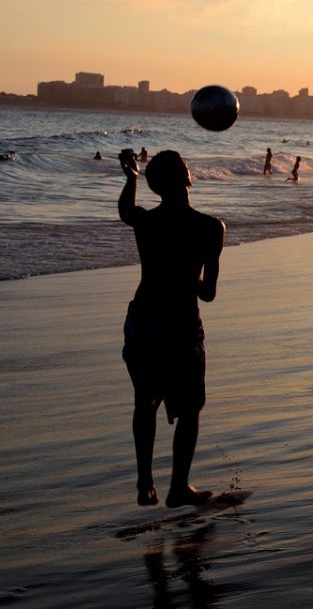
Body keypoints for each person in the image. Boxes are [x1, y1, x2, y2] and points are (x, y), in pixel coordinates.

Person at [118, 149, 225, 508]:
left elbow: (126, 213)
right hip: (179, 325)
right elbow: (208, 293)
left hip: (144, 320)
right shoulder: (210, 228)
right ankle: (179, 486)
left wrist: (131, 177)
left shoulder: (147, 223)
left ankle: (145, 483)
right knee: (190, 407)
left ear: (156, 186)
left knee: (145, 401)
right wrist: (186, 276)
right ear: (188, 177)